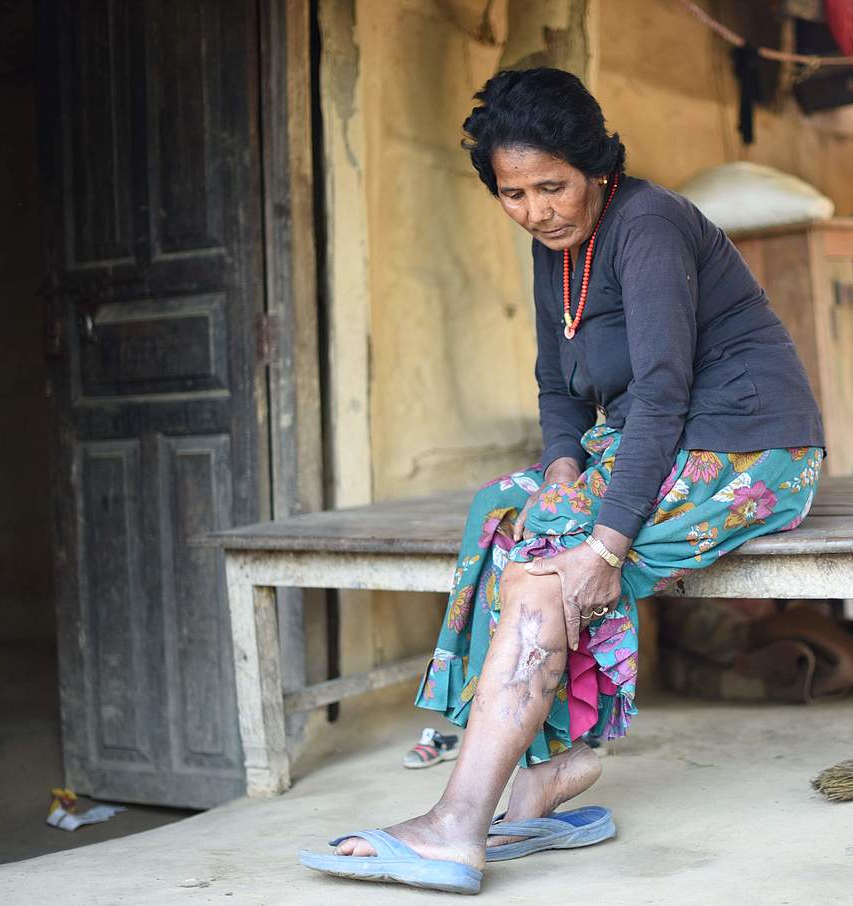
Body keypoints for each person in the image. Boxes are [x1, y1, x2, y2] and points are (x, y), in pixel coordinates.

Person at [300, 67, 825, 895]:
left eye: (553, 187)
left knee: (555, 564)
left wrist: (605, 543)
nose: (537, 210)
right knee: (515, 518)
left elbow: (661, 393)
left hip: (745, 447)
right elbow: (557, 388)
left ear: (597, 169)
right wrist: (560, 474)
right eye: (513, 193)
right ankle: (545, 777)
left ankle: (456, 824)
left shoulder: (645, 225)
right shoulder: (556, 248)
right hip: (661, 437)